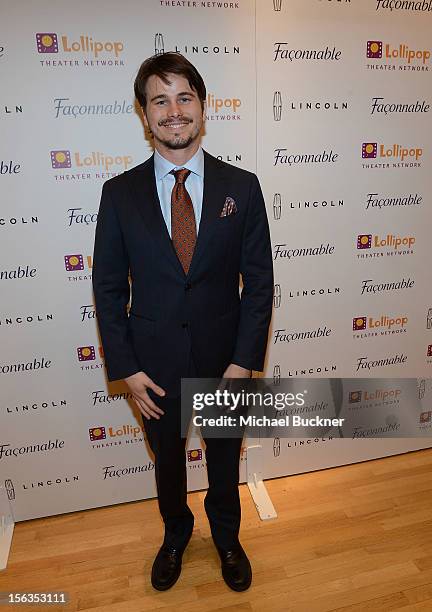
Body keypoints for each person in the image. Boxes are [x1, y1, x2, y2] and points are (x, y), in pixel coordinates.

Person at [92, 52, 273, 592]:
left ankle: (226, 537)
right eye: (159, 100)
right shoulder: (118, 194)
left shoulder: (242, 187)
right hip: (153, 366)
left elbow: (259, 285)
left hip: (227, 363)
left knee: (223, 459)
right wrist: (125, 367)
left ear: (202, 106)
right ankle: (176, 533)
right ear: (145, 115)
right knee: (167, 462)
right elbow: (107, 288)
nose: (173, 111)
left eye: (183, 97)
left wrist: (244, 363)